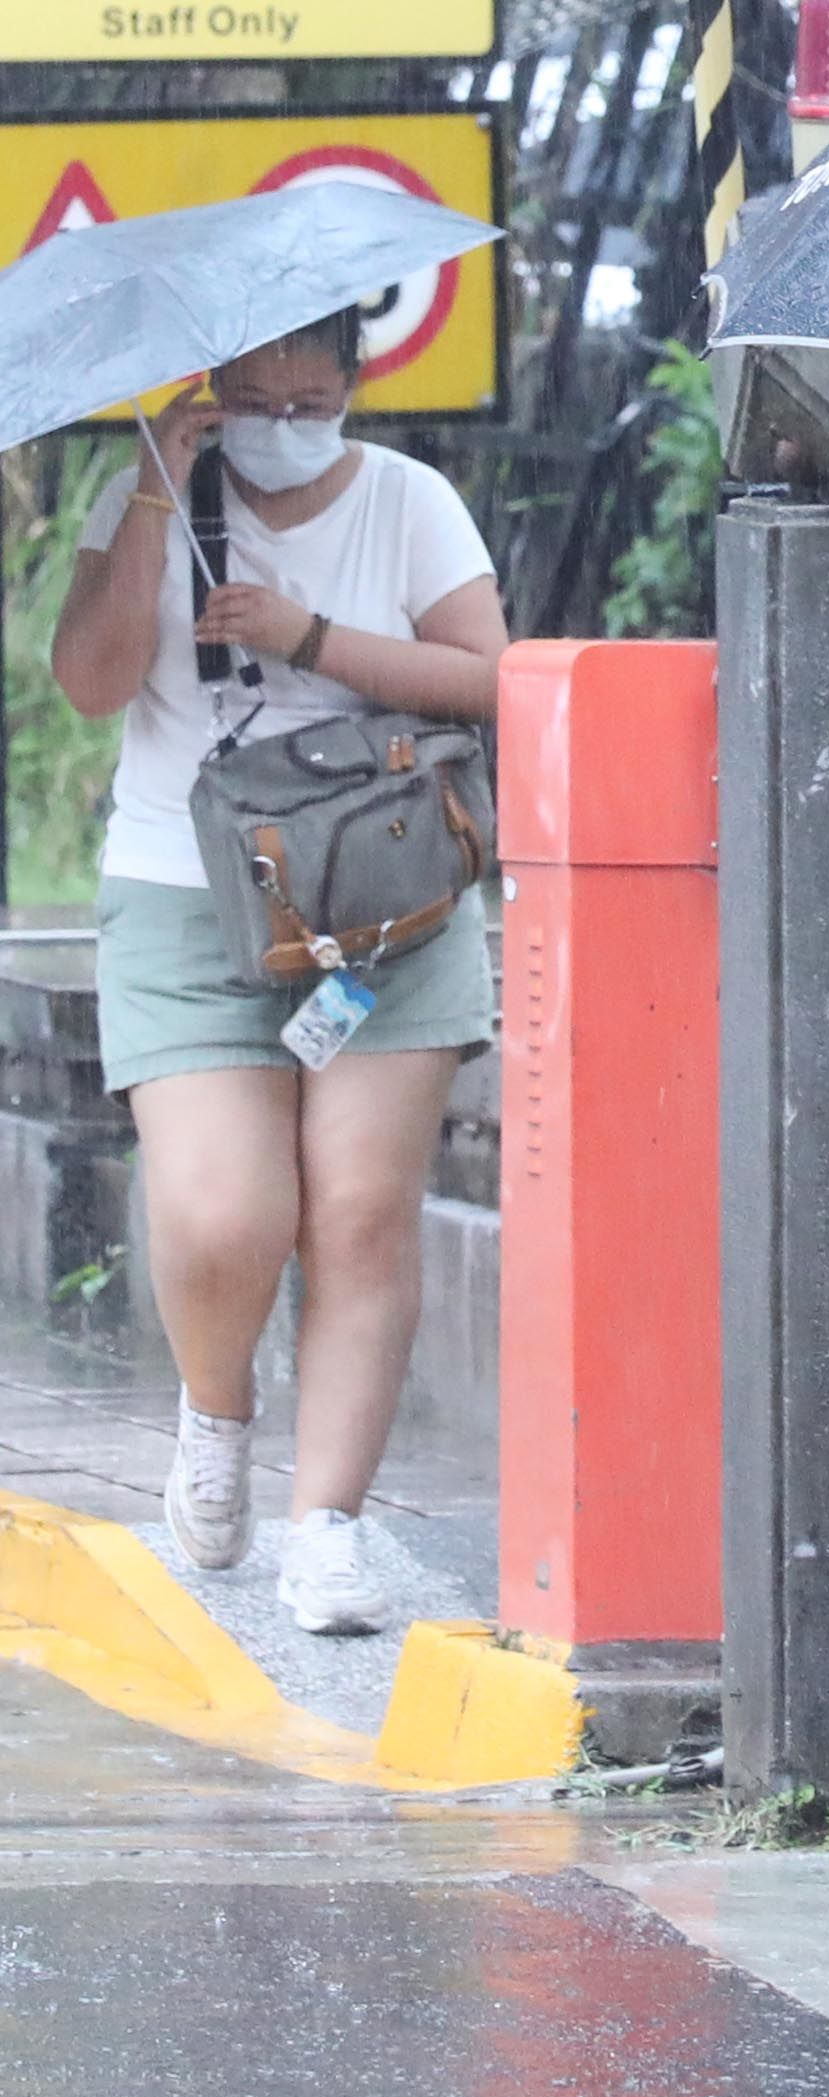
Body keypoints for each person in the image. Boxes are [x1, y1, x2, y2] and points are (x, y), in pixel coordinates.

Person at [47, 312, 506, 1635]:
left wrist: (312, 638)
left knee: (360, 1210)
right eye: (257, 396)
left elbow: (492, 682)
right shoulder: (145, 486)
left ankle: (327, 1531)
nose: (284, 421)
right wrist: (150, 492)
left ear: (355, 389)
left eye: (312, 398)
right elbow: (91, 682)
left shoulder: (412, 504)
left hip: (384, 895)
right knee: (223, 1216)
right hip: (187, 897)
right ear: (212, 387)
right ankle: (217, 1412)